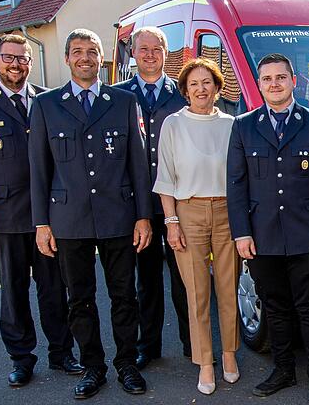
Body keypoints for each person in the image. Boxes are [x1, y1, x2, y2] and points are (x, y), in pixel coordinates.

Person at [0, 34, 81, 387]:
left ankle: (61, 352)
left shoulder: (46, 100)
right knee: (13, 289)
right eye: (9, 57)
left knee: (55, 287)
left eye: (22, 58)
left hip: (48, 217)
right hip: (2, 217)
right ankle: (21, 358)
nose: (16, 64)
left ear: (31, 63)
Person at [29, 28, 153, 400]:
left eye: (93, 52)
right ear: (67, 58)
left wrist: (144, 216)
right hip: (69, 219)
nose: (85, 58)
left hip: (119, 215)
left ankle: (127, 364)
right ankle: (93, 366)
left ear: (103, 59)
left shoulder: (123, 100)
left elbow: (138, 164)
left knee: (124, 296)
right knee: (79, 298)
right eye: (78, 51)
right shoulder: (47, 104)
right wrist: (41, 223)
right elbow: (39, 168)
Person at [226, 53, 309, 404]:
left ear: (293, 80)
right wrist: (241, 232)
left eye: (280, 77)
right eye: (267, 79)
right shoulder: (243, 125)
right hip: (262, 235)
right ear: (259, 85)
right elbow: (236, 183)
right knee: (274, 306)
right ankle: (284, 369)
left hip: (306, 232)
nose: (274, 83)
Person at [153, 58, 240, 395]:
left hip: (227, 212)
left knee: (227, 287)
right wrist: (171, 222)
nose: (201, 89)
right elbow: (165, 179)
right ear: (185, 91)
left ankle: (229, 354)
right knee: (197, 292)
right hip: (187, 213)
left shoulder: (232, 124)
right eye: (193, 84)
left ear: (218, 88)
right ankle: (205, 361)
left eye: (207, 83)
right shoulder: (173, 124)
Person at [113, 26, 191, 369]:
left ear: (165, 52)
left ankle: (194, 344)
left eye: (156, 49)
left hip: (177, 202)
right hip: (137, 205)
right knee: (146, 280)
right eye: (142, 49)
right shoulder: (117, 96)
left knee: (184, 278)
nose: (149, 55)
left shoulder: (183, 94)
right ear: (132, 53)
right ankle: (150, 346)